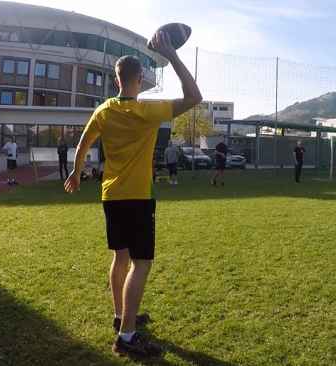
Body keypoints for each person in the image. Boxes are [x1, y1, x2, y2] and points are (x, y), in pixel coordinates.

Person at [64, 30, 202, 357]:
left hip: (111, 196)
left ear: (116, 81)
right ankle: (127, 336)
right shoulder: (148, 111)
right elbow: (194, 96)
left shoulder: (104, 110)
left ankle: (120, 316)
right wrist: (174, 57)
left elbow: (83, 143)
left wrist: (76, 170)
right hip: (138, 197)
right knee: (142, 263)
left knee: (120, 257)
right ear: (139, 78)